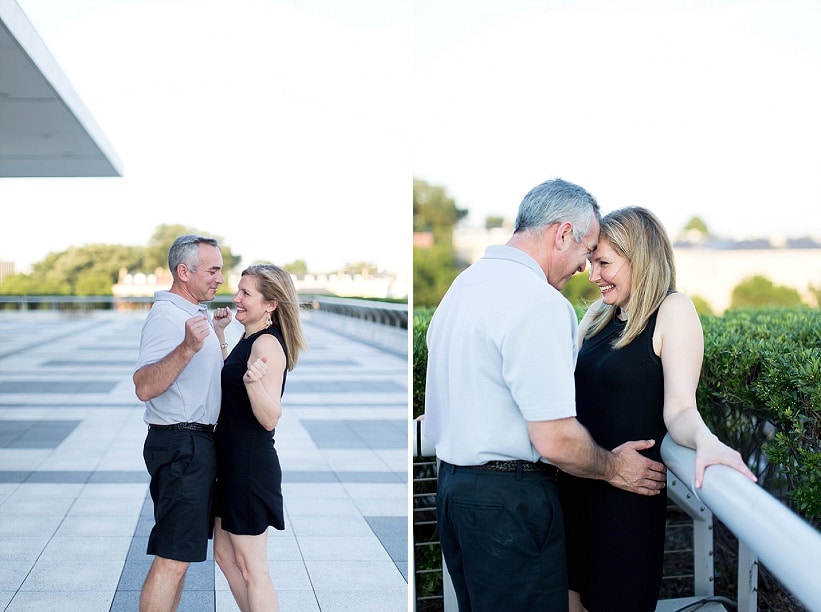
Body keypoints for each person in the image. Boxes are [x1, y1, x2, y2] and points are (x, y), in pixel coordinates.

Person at [423, 178, 668, 611]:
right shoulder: (539, 302)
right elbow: (554, 439)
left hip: (454, 493)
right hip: (510, 507)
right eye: (586, 251)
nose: (584, 269)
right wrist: (614, 468)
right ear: (562, 233)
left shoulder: (461, 288)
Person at [559, 206, 758, 612]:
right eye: (592, 261)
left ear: (641, 259)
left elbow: (681, 409)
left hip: (626, 502)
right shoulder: (599, 315)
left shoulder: (674, 310)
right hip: (575, 487)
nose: (593, 275)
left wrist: (706, 440)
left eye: (604, 263)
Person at [133, 234, 226, 611]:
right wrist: (187, 347)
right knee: (172, 557)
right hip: (181, 446)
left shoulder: (192, 315)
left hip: (195, 446)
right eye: (213, 270)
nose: (220, 278)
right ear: (184, 272)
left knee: (181, 556)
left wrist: (216, 336)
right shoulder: (166, 317)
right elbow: (144, 386)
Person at [212, 264, 307, 612]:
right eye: (238, 290)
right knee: (224, 556)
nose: (236, 298)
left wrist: (253, 384)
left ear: (270, 304)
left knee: (255, 569)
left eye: (245, 293)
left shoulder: (267, 344)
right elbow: (233, 382)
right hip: (232, 463)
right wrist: (220, 334)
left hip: (249, 467)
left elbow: (269, 417)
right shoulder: (250, 338)